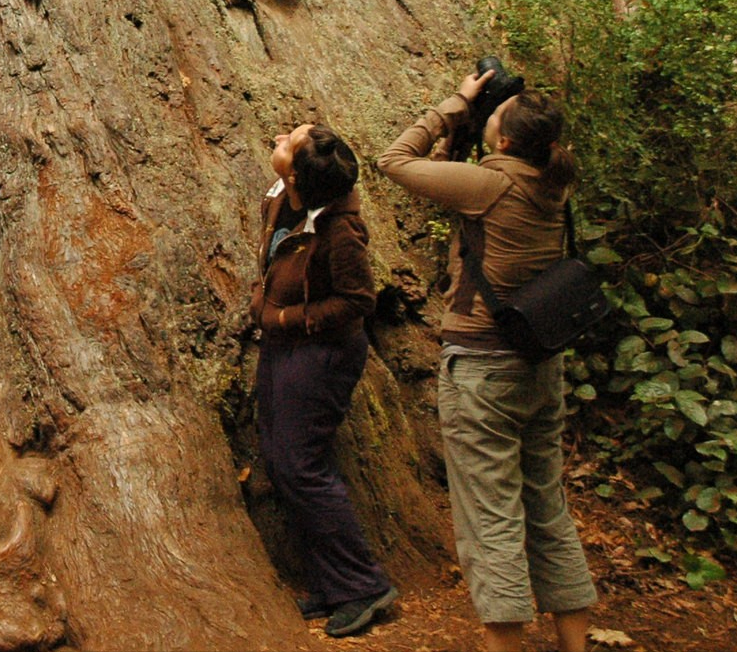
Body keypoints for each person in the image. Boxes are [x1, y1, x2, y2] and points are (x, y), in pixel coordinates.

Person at [378, 71, 597, 652]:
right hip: (540, 365)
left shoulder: (487, 186)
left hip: (482, 371)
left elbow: (394, 160)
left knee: (490, 518)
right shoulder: (553, 183)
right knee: (547, 507)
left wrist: (458, 105)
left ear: (502, 144)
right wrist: (479, 127)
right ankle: (576, 644)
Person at [251, 123, 399, 638]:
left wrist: (290, 319)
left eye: (284, 145)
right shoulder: (286, 197)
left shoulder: (340, 230)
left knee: (301, 464)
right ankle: (333, 582)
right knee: (282, 459)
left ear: (293, 174)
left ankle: (363, 585)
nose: (277, 140)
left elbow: (359, 301)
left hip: (321, 355)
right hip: (282, 346)